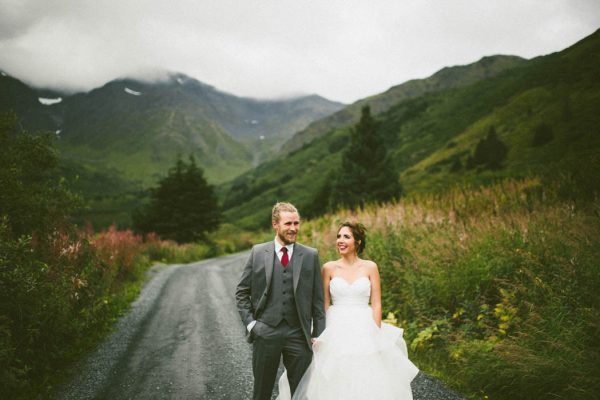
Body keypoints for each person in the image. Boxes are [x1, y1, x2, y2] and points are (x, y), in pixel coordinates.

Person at [277, 221, 419, 400]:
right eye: (338, 236)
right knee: (333, 370)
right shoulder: (329, 267)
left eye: (346, 236)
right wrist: (320, 332)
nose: (340, 241)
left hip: (364, 324)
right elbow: (323, 304)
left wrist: (375, 332)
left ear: (357, 242)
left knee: (367, 371)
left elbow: (376, 303)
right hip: (335, 324)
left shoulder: (370, 267)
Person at [236, 202, 326, 400]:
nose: (293, 228)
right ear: (275, 224)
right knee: (261, 393)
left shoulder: (310, 255)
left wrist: (317, 334)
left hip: (298, 334)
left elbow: (318, 300)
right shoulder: (258, 252)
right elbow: (242, 292)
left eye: (296, 223)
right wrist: (252, 325)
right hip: (265, 331)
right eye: (288, 224)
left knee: (301, 394)